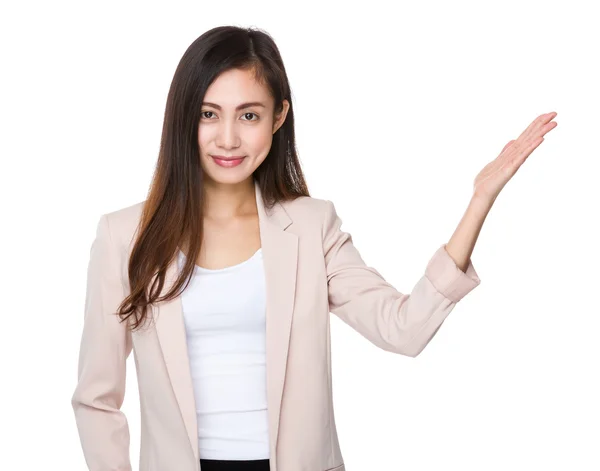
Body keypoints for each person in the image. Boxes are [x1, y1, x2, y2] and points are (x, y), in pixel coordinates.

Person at [70, 25, 558, 471]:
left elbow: (403, 329)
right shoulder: (125, 236)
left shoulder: (310, 226)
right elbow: (96, 397)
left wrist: (479, 202)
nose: (228, 138)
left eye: (250, 115)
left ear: (279, 116)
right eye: (208, 114)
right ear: (183, 116)